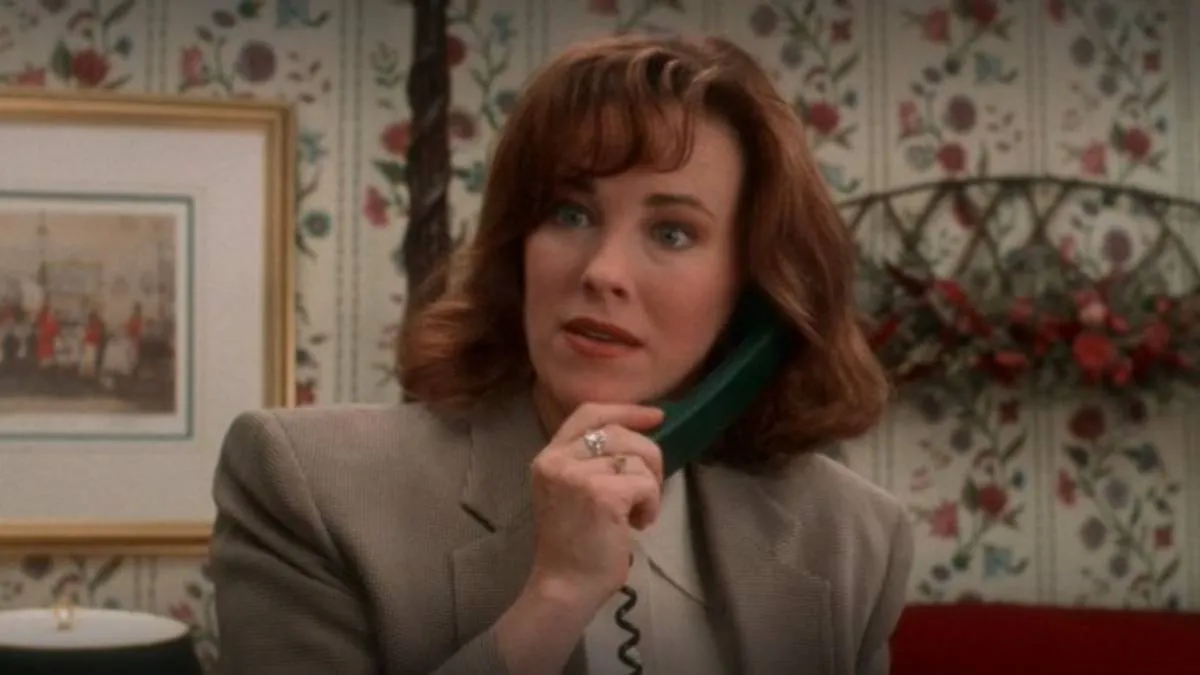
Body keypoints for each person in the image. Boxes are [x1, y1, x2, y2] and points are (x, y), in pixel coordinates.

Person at [209, 33, 913, 675]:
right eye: (570, 214)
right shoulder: (307, 485)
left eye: (671, 232)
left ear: (754, 288)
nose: (602, 271)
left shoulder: (851, 537)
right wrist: (554, 596)